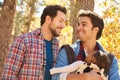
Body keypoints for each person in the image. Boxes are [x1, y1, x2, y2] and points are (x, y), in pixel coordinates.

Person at [1, 5, 67, 80]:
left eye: (64, 22)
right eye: (60, 21)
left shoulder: (57, 46)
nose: (63, 25)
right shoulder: (23, 40)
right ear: (48, 19)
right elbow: (8, 75)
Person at [52, 10, 120, 80]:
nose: (78, 28)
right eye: (78, 24)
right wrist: (84, 76)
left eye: (84, 24)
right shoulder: (67, 51)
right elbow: (55, 77)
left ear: (95, 30)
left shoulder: (110, 59)